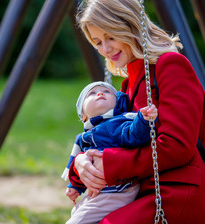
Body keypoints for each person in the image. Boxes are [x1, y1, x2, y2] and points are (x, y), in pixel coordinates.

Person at [67, 0, 205, 224]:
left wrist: (110, 164)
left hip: (175, 191)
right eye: (97, 42)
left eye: (111, 37)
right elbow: (111, 137)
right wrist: (81, 163)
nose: (105, 49)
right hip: (138, 191)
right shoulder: (128, 84)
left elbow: (177, 147)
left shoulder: (171, 65)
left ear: (130, 26)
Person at [62, 81, 158, 224]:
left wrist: (142, 120)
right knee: (76, 211)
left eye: (106, 92)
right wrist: (74, 186)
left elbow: (133, 136)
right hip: (101, 191)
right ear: (84, 116)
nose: (100, 93)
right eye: (92, 93)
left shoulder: (118, 123)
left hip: (118, 190)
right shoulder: (83, 137)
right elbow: (77, 164)